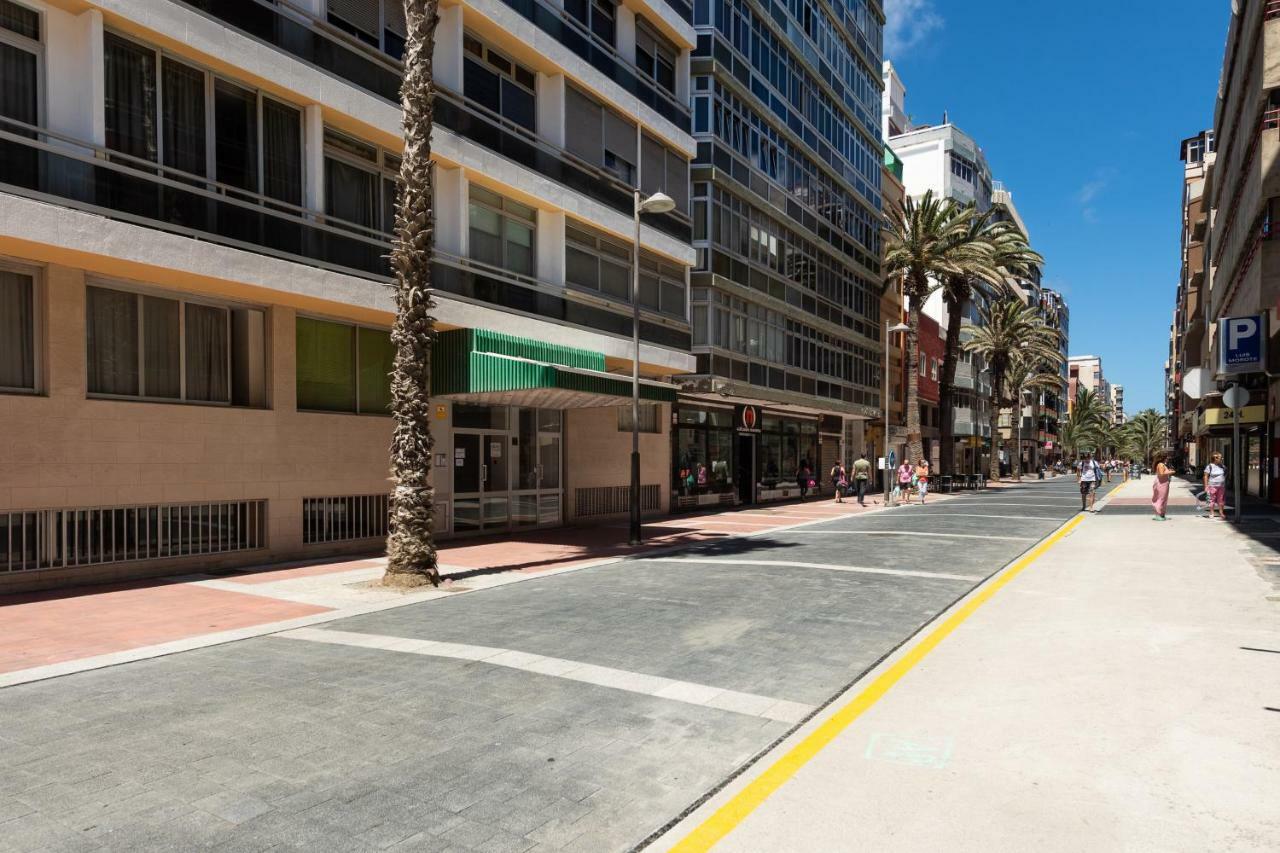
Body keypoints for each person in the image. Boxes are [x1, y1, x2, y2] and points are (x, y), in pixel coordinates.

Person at [1203, 452, 1226, 520]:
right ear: (1215, 458)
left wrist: (1223, 481)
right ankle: (1211, 513)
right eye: (1220, 457)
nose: (1221, 459)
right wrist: (1206, 486)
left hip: (1221, 486)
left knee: (1221, 500)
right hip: (1212, 486)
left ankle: (1221, 513)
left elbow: (1225, 473)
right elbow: (1205, 476)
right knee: (1211, 500)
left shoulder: (1223, 466)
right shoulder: (1209, 466)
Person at [1152, 451, 1173, 521]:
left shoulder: (1163, 465)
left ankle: (1162, 514)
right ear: (1163, 458)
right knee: (1160, 498)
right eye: (1166, 457)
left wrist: (1168, 471)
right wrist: (1171, 472)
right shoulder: (1161, 464)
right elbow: (1161, 474)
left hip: (1164, 483)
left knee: (1164, 499)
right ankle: (1158, 514)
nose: (1167, 459)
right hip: (1161, 484)